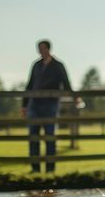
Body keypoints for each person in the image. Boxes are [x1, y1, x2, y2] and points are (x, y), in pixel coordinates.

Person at [21, 40, 73, 173]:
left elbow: (66, 83)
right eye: (39, 49)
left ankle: (50, 169)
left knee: (50, 136)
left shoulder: (58, 65)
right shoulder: (36, 65)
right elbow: (30, 84)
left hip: (50, 104)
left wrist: (74, 97)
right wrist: (24, 104)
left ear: (49, 49)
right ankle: (35, 169)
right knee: (33, 136)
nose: (41, 51)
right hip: (35, 104)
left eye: (43, 48)